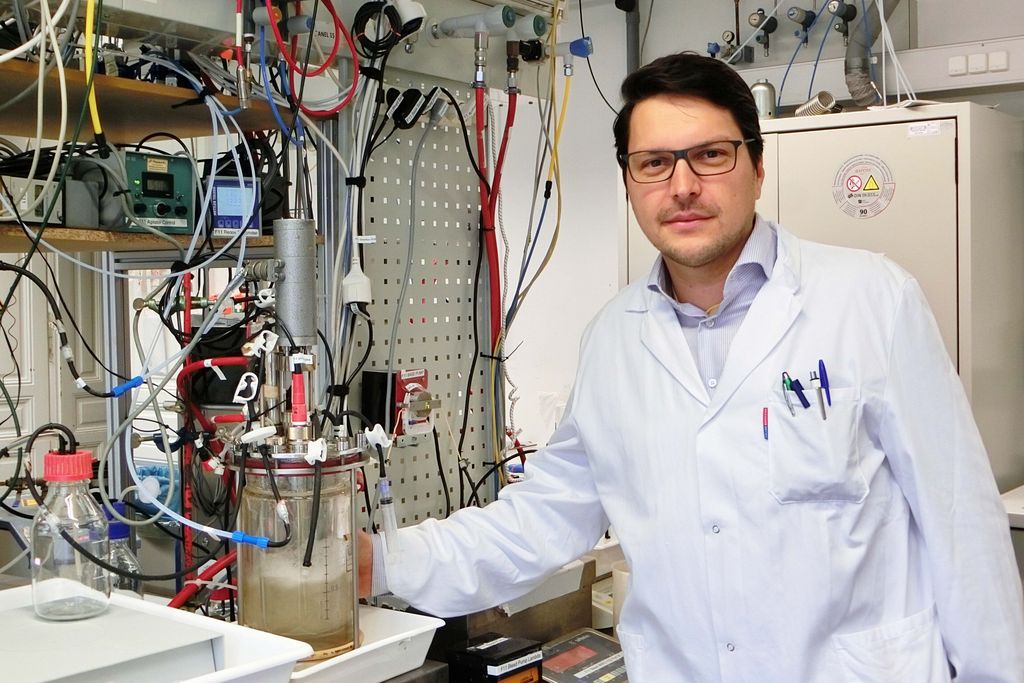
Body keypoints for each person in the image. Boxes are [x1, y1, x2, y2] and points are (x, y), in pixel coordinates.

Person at [359, 52, 1024, 680]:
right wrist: (378, 560)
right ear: (629, 181)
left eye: (709, 155)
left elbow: (962, 524)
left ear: (757, 166)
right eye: (653, 163)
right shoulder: (614, 339)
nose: (682, 186)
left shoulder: (871, 299)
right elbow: (538, 521)